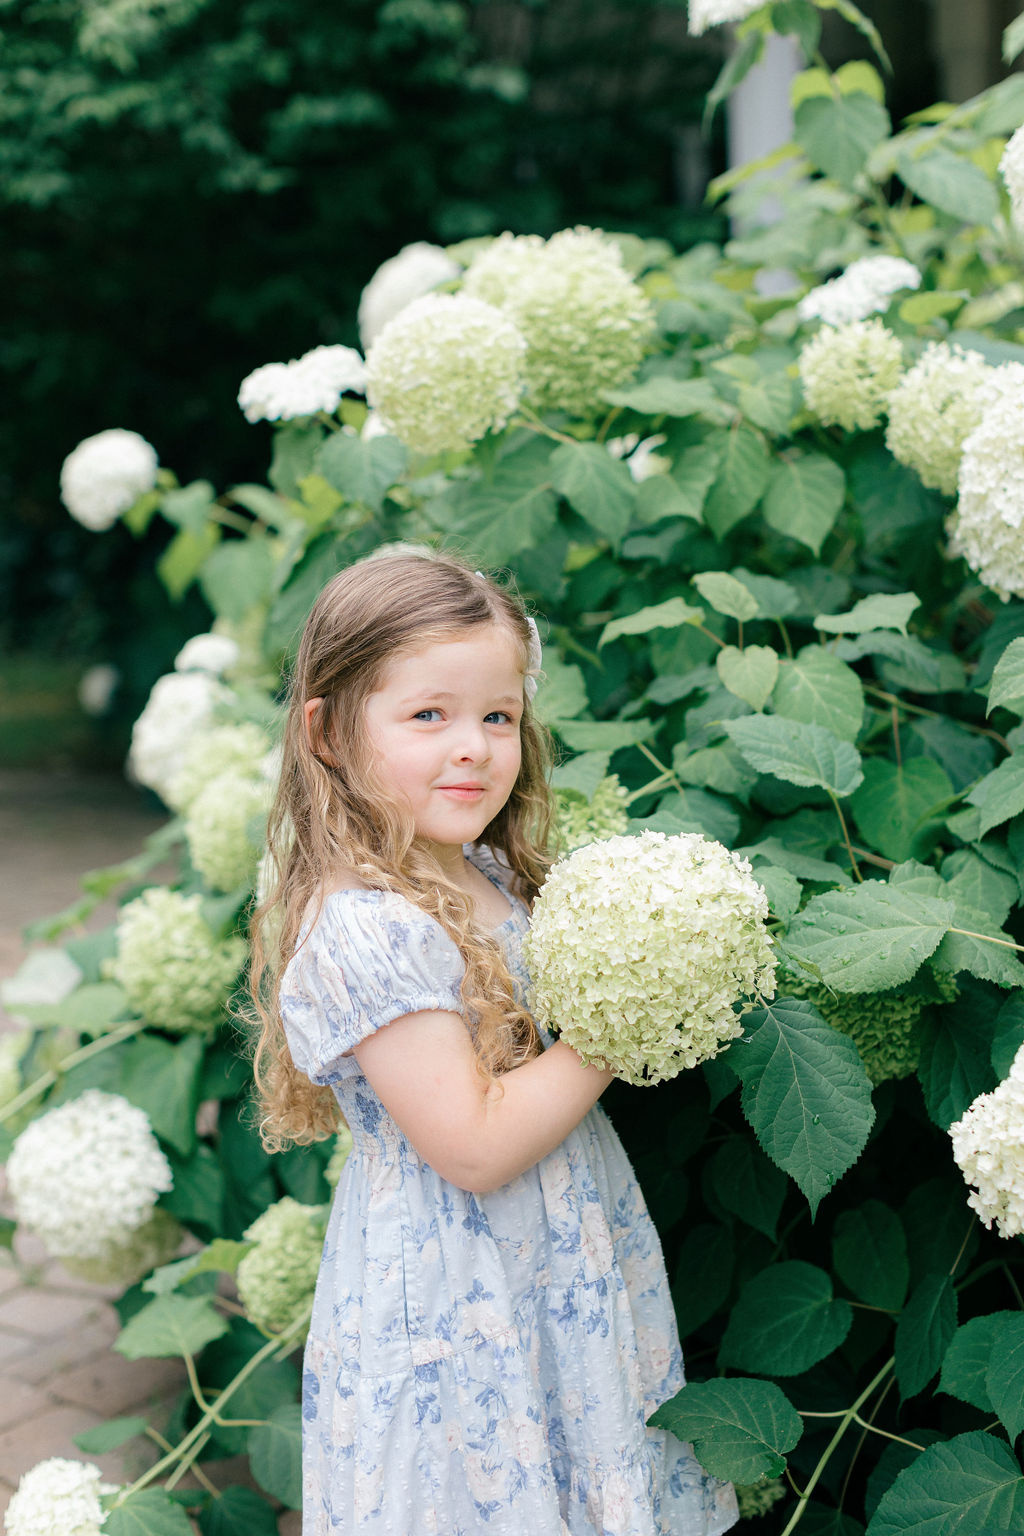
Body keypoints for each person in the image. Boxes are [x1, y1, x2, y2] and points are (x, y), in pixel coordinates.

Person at [249, 547, 737, 1536]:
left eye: (496, 716)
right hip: (452, 1289)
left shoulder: (484, 872)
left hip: (552, 1259)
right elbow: (471, 1146)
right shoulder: (365, 924)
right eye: (428, 715)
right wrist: (620, 1021)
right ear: (328, 733)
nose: (471, 745)